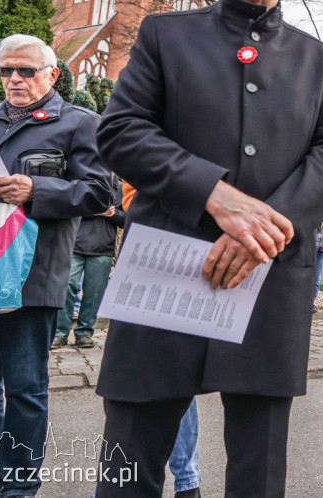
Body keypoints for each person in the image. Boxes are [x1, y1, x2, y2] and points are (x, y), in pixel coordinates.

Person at [92, 0, 323, 497]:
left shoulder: (317, 59)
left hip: (268, 274)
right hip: (168, 265)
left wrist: (267, 227)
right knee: (129, 460)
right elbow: (121, 130)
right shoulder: (164, 34)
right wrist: (216, 196)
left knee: (257, 472)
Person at [0, 34, 112, 498]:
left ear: (52, 74)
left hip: (33, 275)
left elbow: (101, 194)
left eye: (26, 71)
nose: (14, 79)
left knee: (25, 391)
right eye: (6, 70)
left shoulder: (79, 124)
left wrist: (37, 190)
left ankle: (16, 487)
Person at [122, 181, 202, 498]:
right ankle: (181, 482)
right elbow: (131, 191)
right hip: (153, 242)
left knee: (175, 371)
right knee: (142, 371)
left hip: (189, 245)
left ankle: (187, 482)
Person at [53, 173, 125, 349]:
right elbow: (67, 209)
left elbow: (126, 220)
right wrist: (94, 211)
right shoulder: (82, 183)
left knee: (94, 293)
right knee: (66, 285)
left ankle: (84, 333)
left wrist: (114, 214)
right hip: (75, 245)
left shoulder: (121, 189)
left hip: (103, 248)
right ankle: (60, 333)